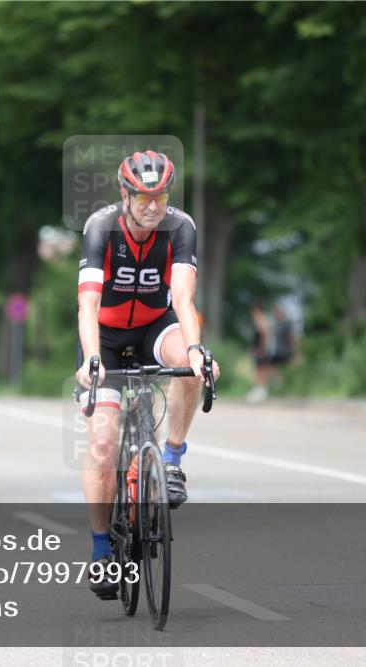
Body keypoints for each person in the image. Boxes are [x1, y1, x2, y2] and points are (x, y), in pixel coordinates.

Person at [74, 150, 220, 600]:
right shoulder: (102, 227)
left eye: (161, 196)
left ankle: (172, 460)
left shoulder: (181, 227)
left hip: (156, 325)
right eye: (143, 197)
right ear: (125, 194)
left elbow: (182, 294)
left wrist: (195, 349)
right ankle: (101, 550)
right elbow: (89, 305)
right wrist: (92, 360)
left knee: (192, 363)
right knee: (103, 442)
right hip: (108, 336)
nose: (153, 206)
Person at [246, 302, 272, 403]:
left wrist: (262, 347)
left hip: (261, 348)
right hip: (258, 348)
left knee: (260, 369)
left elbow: (264, 333)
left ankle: (261, 390)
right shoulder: (262, 319)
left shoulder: (261, 319)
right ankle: (260, 389)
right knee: (259, 368)